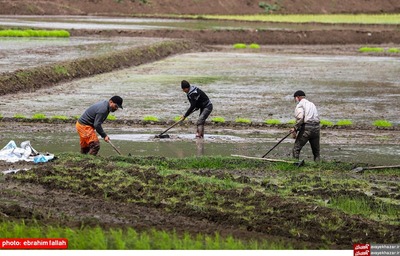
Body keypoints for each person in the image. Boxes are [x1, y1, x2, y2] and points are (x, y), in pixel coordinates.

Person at [289, 90, 320, 161]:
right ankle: (318, 166)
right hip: (317, 128)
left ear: (298, 97)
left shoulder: (300, 105)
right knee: (316, 151)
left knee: (296, 148)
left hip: (307, 129)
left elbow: (300, 118)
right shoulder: (312, 104)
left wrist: (295, 128)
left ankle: (295, 164)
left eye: (295, 98)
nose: (295, 100)